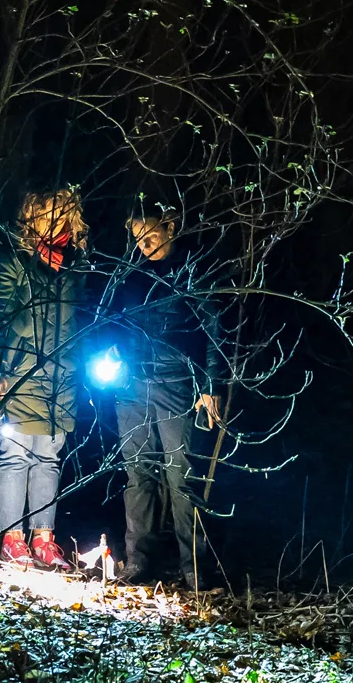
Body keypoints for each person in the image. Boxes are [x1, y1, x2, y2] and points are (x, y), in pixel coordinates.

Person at [105, 202, 222, 587]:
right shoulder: (129, 272)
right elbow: (112, 319)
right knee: (137, 473)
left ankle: (194, 569)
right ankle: (139, 561)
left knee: (180, 476)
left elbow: (212, 328)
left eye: (150, 234)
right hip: (132, 382)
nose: (143, 244)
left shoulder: (192, 269)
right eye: (137, 237)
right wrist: (111, 348)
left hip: (176, 381)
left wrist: (209, 386)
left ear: (169, 227)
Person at [0, 188, 88, 570]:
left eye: (62, 211)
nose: (55, 218)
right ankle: (12, 539)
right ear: (30, 215)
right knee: (15, 453)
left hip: (62, 374)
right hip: (19, 369)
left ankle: (44, 538)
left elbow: (83, 316)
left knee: (49, 456)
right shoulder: (15, 256)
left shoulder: (77, 263)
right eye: (47, 211)